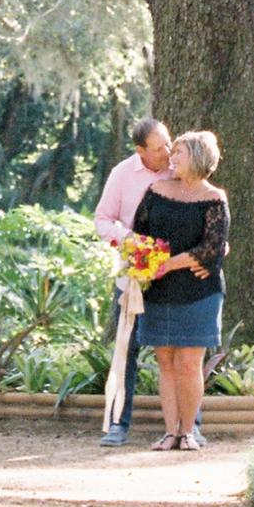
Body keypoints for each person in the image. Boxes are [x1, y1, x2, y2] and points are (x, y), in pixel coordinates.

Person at [132, 131, 228, 451]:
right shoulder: (156, 190)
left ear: (199, 158)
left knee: (189, 363)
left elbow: (212, 248)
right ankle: (170, 432)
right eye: (172, 153)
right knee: (166, 363)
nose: (172, 158)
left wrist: (169, 264)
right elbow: (139, 236)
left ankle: (188, 432)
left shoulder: (214, 199)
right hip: (159, 290)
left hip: (200, 292)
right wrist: (144, 264)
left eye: (180, 154)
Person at [93, 117, 170, 447]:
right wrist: (132, 241)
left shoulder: (178, 166)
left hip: (173, 277)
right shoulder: (122, 174)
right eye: (159, 148)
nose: (167, 152)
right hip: (132, 279)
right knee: (126, 352)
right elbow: (102, 221)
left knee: (179, 352)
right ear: (141, 151)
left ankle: (187, 425)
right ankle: (117, 425)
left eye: (169, 142)